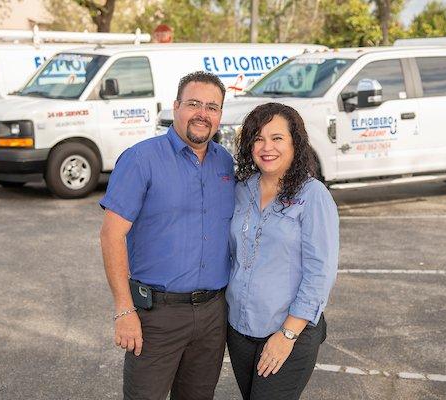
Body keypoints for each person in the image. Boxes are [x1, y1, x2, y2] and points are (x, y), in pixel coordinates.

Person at [99, 71, 235, 400]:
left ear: (219, 116)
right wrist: (124, 310)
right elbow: (110, 236)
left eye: (212, 107)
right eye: (193, 103)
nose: (203, 113)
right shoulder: (140, 159)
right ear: (175, 107)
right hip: (156, 316)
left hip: (213, 314)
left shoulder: (226, 164)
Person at [226, 102, 339, 400]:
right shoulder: (241, 190)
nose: (267, 147)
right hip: (239, 330)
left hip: (288, 332)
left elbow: (320, 273)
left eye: (277, 138)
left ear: (294, 143)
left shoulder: (313, 195)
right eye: (258, 138)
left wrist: (287, 335)